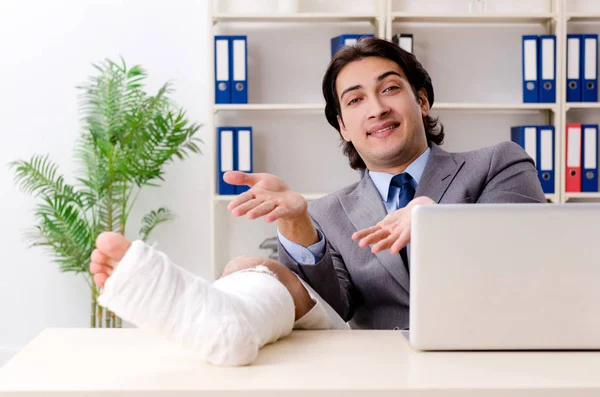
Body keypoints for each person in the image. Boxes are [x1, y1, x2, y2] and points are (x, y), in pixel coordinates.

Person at [90, 37, 546, 367]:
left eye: (390, 89)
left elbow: (530, 263)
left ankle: (221, 321)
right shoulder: (328, 212)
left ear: (421, 101)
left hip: (492, 360)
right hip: (382, 372)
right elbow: (332, 308)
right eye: (355, 100)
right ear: (344, 128)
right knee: (250, 267)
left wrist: (435, 219)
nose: (376, 108)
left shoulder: (499, 162)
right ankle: (224, 324)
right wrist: (297, 226)